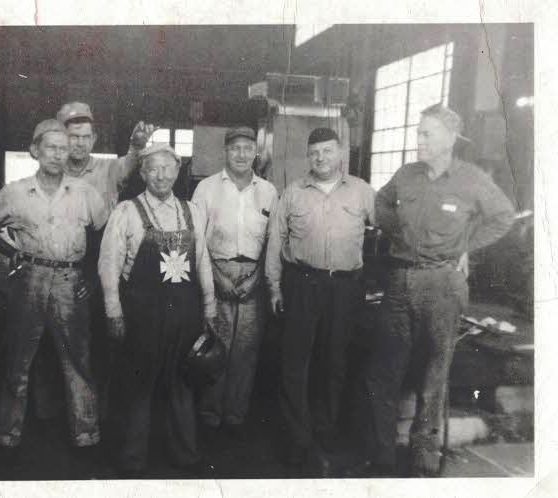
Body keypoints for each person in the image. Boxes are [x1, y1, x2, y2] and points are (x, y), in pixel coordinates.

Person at [365, 104, 515, 476]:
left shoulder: (471, 179)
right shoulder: (406, 175)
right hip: (400, 281)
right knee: (383, 372)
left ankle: (423, 460)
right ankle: (382, 455)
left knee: (434, 375)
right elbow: (380, 203)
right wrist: (394, 230)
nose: (420, 139)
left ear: (450, 139)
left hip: (443, 282)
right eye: (419, 132)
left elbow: (503, 216)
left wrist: (468, 246)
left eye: (427, 133)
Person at [0, 119, 107, 452]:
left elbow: (105, 233)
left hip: (70, 280)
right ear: (35, 151)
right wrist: (10, 251)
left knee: (78, 361)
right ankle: (8, 435)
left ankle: (86, 434)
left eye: (64, 148)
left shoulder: (84, 192)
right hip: (29, 280)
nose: (58, 155)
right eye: (51, 147)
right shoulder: (16, 191)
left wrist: (90, 277)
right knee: (19, 361)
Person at [98, 143, 216, 477]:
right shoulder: (126, 212)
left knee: (181, 383)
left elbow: (203, 262)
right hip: (142, 315)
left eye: (167, 168)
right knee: (140, 384)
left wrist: (210, 307)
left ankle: (185, 454)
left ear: (178, 171)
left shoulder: (193, 211)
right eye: (152, 168)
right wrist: (113, 312)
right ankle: (133, 459)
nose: (161, 175)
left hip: (186, 313)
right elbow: (108, 266)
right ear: (143, 173)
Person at [265, 127, 375, 469]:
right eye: (314, 153)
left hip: (345, 288)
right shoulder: (292, 193)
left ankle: (326, 428)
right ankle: (297, 436)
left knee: (335, 359)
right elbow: (274, 241)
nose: (321, 158)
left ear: (340, 153)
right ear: (307, 156)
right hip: (302, 284)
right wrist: (274, 286)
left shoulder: (362, 192)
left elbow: (392, 228)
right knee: (295, 362)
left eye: (327, 151)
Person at [191, 126, 277, 439]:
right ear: (225, 152)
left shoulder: (268, 191)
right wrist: (216, 277)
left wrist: (256, 278)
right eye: (235, 148)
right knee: (215, 349)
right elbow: (196, 240)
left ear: (257, 152)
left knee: (246, 351)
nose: (241, 154)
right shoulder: (206, 189)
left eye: (247, 148)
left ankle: (236, 416)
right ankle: (210, 413)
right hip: (216, 273)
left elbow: (272, 241)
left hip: (253, 278)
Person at [56, 101, 156, 215]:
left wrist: (137, 146)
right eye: (74, 136)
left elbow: (128, 164)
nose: (81, 143)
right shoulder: (53, 172)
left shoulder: (108, 169)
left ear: (94, 139)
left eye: (86, 137)